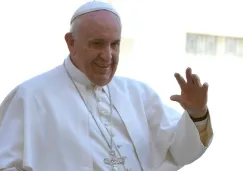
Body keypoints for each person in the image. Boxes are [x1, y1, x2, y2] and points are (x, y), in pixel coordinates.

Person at [0, 1, 213, 171]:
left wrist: (197, 114)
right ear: (71, 43)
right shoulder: (30, 96)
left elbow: (180, 152)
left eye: (115, 44)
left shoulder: (138, 94)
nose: (107, 55)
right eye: (97, 44)